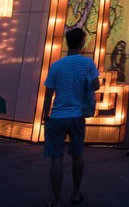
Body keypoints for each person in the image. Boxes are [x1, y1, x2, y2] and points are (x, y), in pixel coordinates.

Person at [40, 27, 100, 207]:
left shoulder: (56, 65)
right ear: (82, 42)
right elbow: (96, 86)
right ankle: (75, 193)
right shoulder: (88, 64)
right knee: (77, 155)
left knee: (56, 159)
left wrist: (46, 116)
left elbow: (48, 93)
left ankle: (57, 200)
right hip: (77, 116)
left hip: (57, 116)